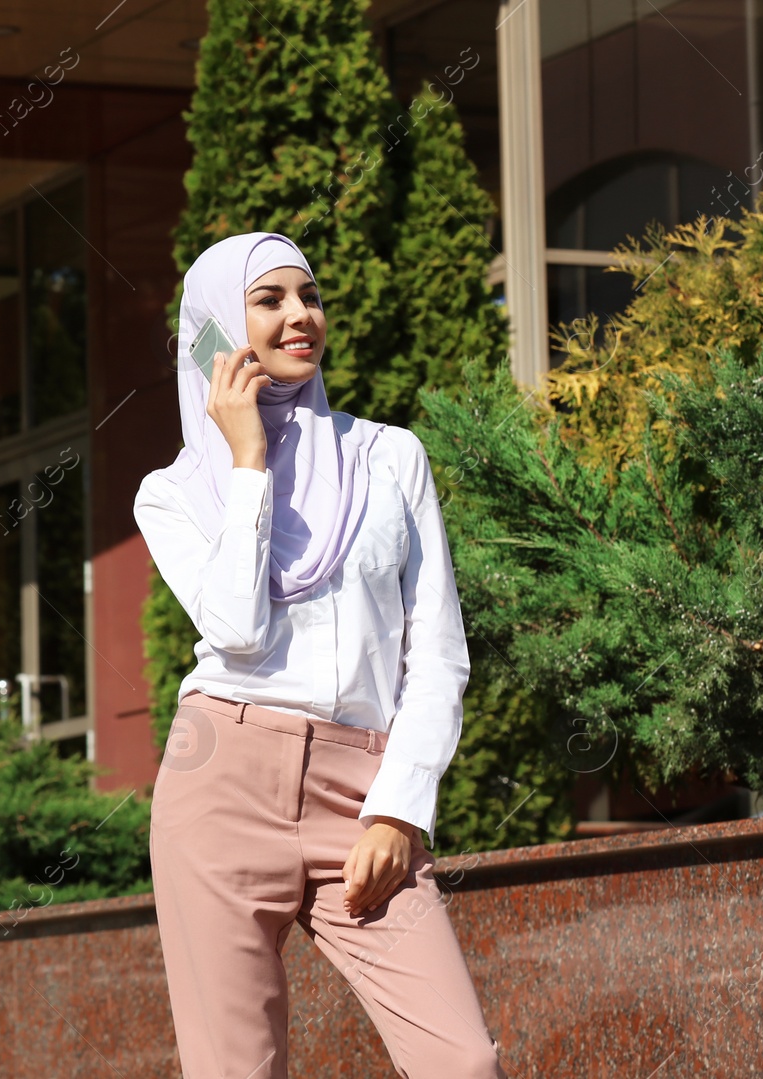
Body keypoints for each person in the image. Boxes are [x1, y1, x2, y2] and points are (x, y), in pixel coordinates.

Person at [133, 232, 508, 1078]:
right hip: (220, 784)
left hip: (361, 789)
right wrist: (247, 461)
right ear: (217, 330)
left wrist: (399, 807)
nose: (301, 314)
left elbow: (439, 650)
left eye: (308, 294)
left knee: (463, 1061)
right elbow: (236, 629)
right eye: (268, 299)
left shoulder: (389, 457)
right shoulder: (174, 492)